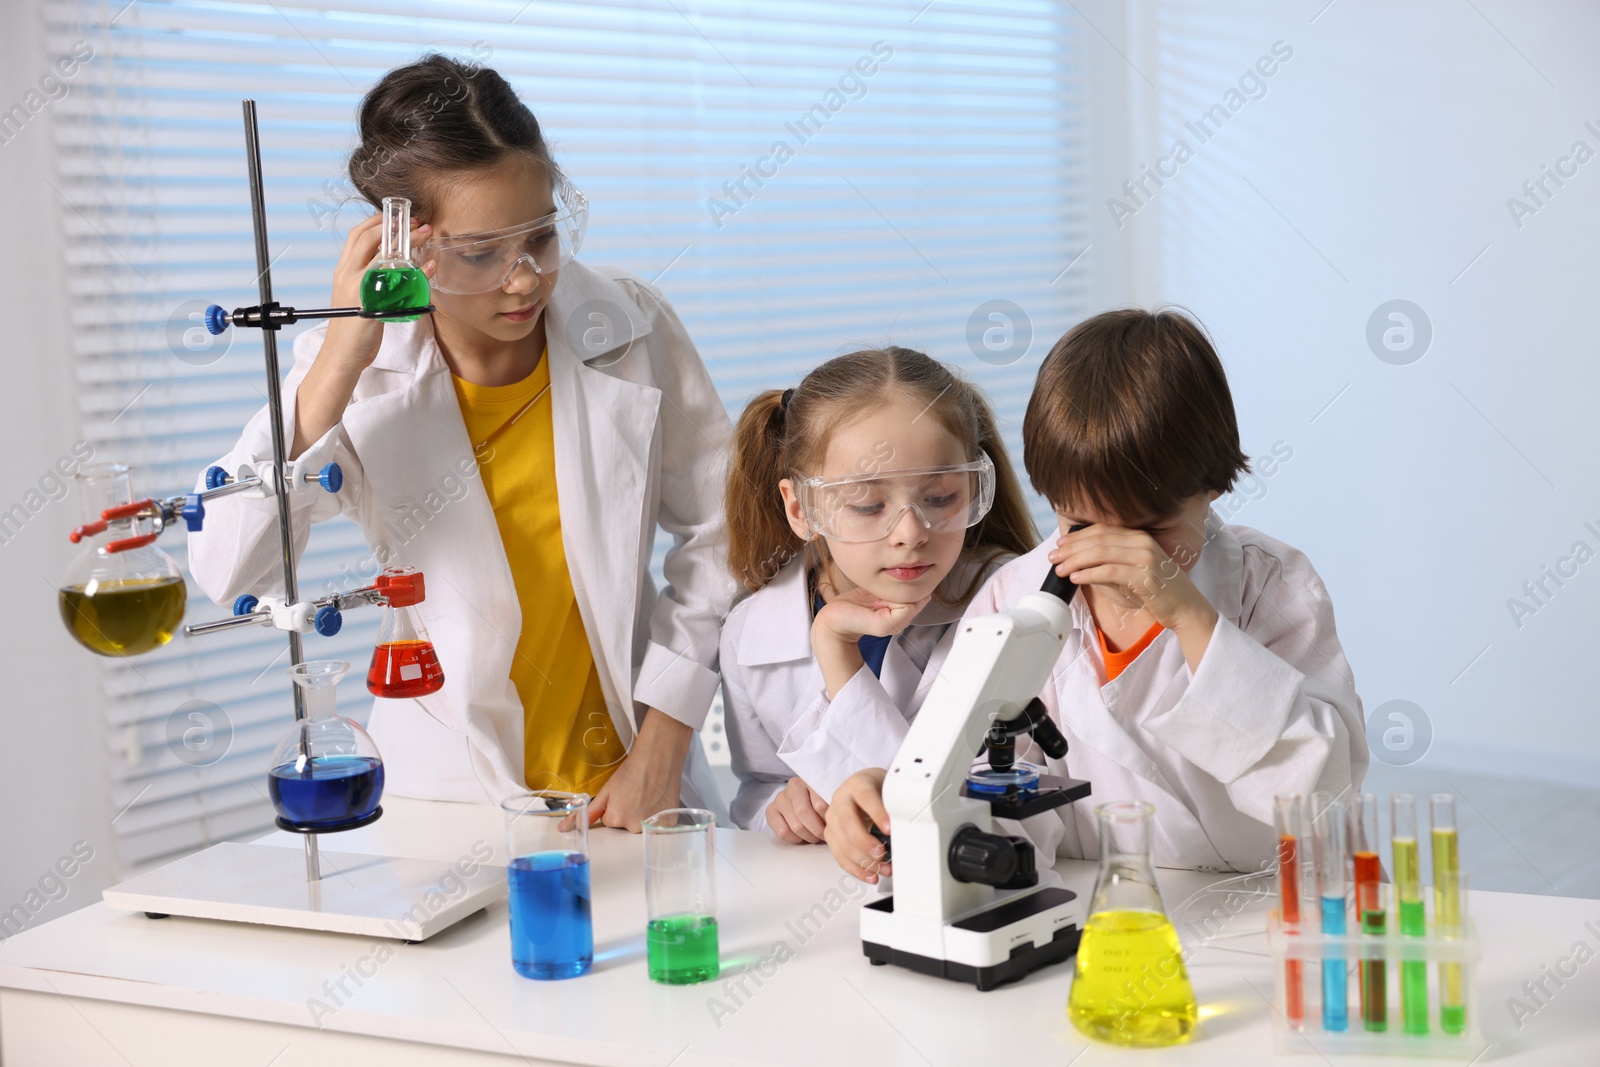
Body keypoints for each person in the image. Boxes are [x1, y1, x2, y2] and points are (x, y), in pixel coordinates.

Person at [188, 55, 734, 829]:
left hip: (629, 778)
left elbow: (722, 535)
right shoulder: (352, 373)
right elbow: (226, 566)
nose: (524, 279)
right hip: (446, 797)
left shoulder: (628, 326)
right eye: (483, 253)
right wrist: (346, 350)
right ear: (408, 243)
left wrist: (663, 746)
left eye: (541, 236)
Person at [826, 309, 1366, 877]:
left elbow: (1325, 790)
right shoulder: (1012, 599)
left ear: (1212, 484)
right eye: (1080, 527)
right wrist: (902, 802)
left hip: (1267, 904)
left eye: (1150, 532)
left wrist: (1191, 617)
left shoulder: (1270, 584)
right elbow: (994, 797)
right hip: (1101, 905)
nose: (1118, 559)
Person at [718, 347, 1039, 841]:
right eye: (868, 505)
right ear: (801, 509)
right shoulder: (750, 632)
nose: (910, 532)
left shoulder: (1011, 605)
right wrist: (782, 810)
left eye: (939, 498)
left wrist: (836, 652)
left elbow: (958, 823)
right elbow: (761, 786)